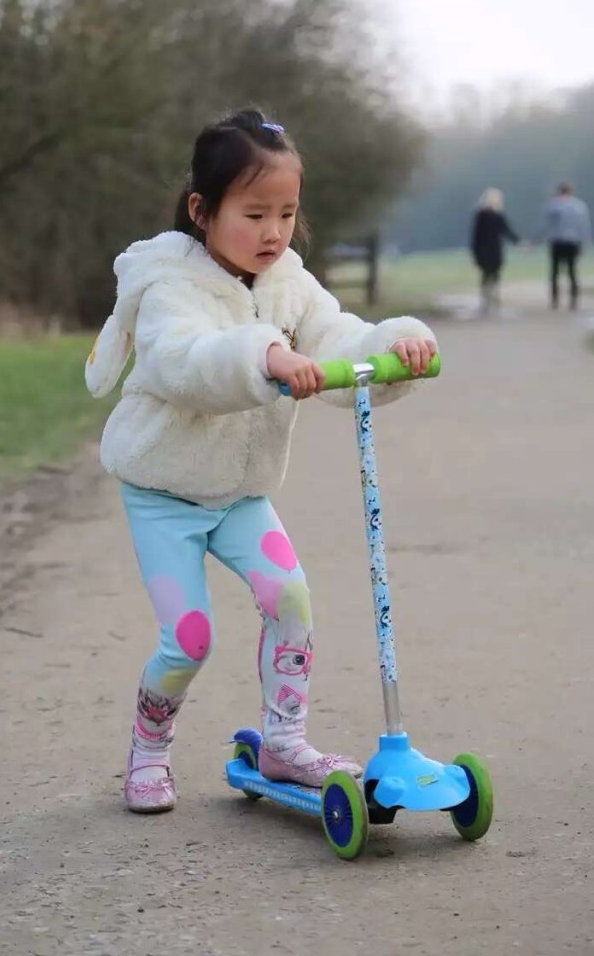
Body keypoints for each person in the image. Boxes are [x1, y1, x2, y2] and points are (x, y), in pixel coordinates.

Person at [85, 108, 437, 814]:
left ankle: (284, 740)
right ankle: (149, 748)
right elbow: (183, 361)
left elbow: (335, 335)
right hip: (164, 492)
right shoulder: (168, 286)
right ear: (202, 211)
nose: (274, 232)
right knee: (188, 640)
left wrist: (390, 346)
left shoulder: (288, 283)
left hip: (241, 494)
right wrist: (264, 355)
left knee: (291, 600)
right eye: (254, 214)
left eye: (286, 213)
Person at [470, 188, 520, 316]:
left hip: (482, 250)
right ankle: (494, 298)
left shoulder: (480, 215)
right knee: (495, 275)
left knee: (485, 275)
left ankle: (486, 300)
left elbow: (476, 235)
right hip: (495, 249)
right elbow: (507, 231)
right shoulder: (498, 215)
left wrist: (474, 251)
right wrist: (519, 242)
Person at [543, 182, 591, 310]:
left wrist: (535, 241)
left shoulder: (553, 205)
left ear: (559, 191)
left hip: (557, 242)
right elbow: (584, 226)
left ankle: (555, 299)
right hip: (573, 242)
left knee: (554, 272)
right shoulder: (580, 206)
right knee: (572, 271)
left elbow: (546, 225)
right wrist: (585, 243)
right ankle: (573, 300)